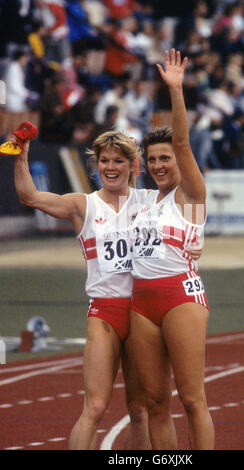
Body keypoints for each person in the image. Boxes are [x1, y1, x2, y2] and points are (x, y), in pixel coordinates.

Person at [13, 130, 151, 450]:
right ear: (96, 165)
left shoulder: (151, 202)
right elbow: (30, 197)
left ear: (133, 166)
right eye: (104, 161)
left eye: (118, 161)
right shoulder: (83, 205)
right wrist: (21, 156)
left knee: (140, 410)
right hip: (105, 312)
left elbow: (190, 203)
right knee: (95, 408)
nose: (111, 167)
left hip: (144, 312)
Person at [130, 49, 215, 450]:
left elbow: (181, 141)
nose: (159, 164)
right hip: (141, 303)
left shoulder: (191, 196)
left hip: (180, 297)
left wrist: (176, 92)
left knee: (192, 399)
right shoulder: (145, 201)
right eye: (152, 160)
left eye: (164, 158)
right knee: (154, 402)